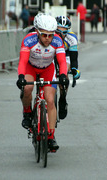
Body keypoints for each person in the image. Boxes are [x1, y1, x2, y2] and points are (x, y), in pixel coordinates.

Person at [16, 13, 69, 151]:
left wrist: (63, 75)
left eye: (50, 35)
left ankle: (51, 137)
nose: (47, 38)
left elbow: (62, 61)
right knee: (27, 89)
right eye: (44, 35)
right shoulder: (29, 40)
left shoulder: (57, 41)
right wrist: (21, 76)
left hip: (47, 69)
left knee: (50, 100)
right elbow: (22, 62)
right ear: (38, 32)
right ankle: (27, 112)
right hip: (31, 68)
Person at [55, 16, 80, 120]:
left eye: (64, 32)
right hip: (53, 54)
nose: (61, 34)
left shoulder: (72, 38)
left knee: (64, 72)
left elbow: (74, 58)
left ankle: (62, 98)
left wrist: (74, 69)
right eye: (59, 31)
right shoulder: (50, 36)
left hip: (66, 56)